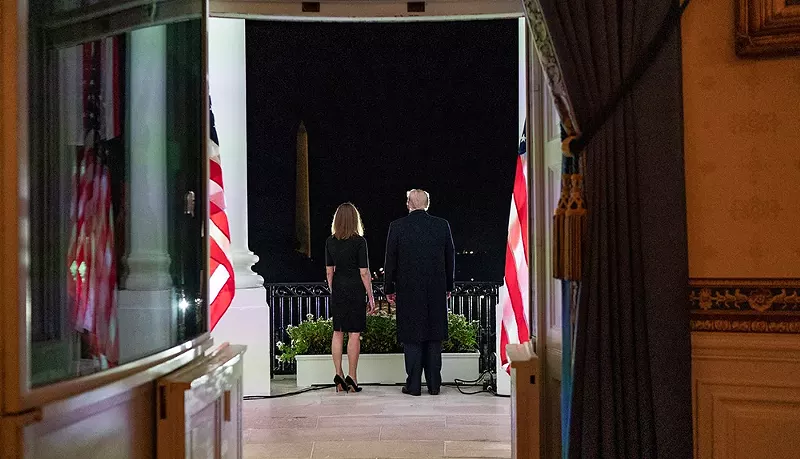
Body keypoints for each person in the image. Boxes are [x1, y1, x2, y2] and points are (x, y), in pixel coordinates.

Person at [384, 189, 455, 396]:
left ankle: (413, 385)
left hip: (408, 292)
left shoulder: (397, 227)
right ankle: (434, 385)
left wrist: (389, 289)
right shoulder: (442, 225)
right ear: (427, 204)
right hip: (435, 291)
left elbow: (391, 262)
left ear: (408, 204)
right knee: (434, 337)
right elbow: (450, 259)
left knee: (412, 338)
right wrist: (448, 287)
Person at [325, 203, 376, 393]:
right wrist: (370, 296)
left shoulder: (330, 241)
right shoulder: (360, 242)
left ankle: (338, 373)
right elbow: (364, 272)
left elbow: (329, 271)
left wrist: (333, 289)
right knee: (354, 333)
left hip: (338, 288)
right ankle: (352, 377)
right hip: (355, 289)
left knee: (337, 332)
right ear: (355, 220)